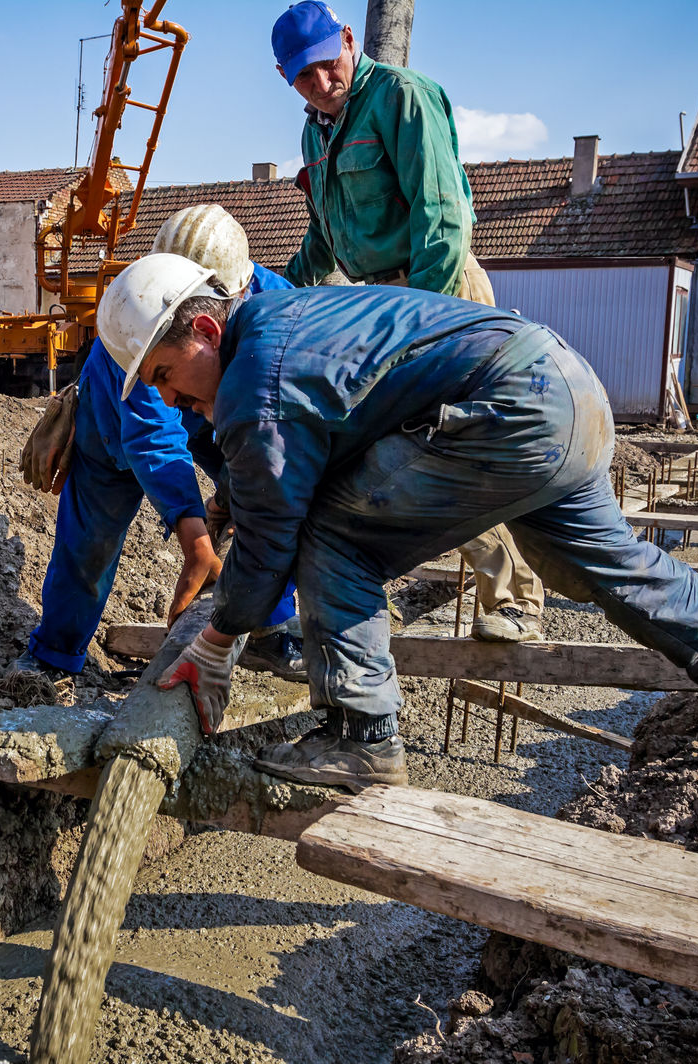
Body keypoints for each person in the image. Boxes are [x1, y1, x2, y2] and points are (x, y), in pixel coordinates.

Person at [101, 254, 698, 790]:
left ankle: (362, 736)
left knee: (331, 532)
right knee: (608, 563)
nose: (166, 399)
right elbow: (268, 467)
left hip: (511, 410)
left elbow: (274, 533)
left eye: (165, 376)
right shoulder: (284, 318)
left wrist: (218, 640)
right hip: (566, 385)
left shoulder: (258, 379)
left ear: (203, 327)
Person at [271, 0, 544, 643]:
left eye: (324, 65)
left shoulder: (403, 98)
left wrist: (421, 322)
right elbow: (323, 236)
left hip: (440, 291)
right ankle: (363, 598)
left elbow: (442, 220)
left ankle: (516, 600)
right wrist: (272, 299)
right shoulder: (315, 132)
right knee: (382, 455)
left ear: (346, 39)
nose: (319, 83)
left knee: (456, 447)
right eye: (301, 77)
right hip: (381, 303)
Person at [13, 206, 303, 686]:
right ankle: (55, 654)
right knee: (90, 543)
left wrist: (237, 494)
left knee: (274, 490)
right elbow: (154, 432)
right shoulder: (142, 318)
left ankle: (273, 624)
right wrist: (197, 544)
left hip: (218, 410)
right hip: (112, 429)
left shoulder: (274, 302)